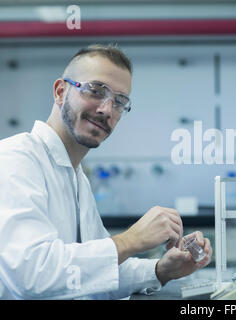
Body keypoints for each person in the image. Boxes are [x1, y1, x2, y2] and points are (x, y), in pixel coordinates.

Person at [0, 44, 212, 299]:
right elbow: (31, 274)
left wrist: (161, 270)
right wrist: (132, 239)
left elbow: (93, 275)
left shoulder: (77, 179)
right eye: (96, 90)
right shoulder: (15, 158)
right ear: (60, 91)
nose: (106, 110)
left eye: (119, 102)